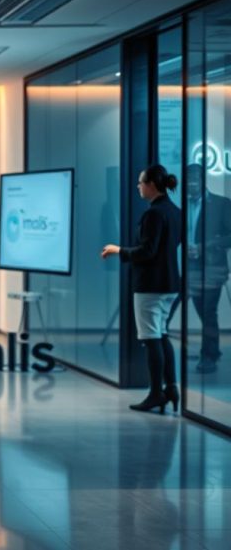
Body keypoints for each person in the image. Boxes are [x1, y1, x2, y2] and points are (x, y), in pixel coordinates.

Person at [102, 165, 182, 414]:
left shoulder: (154, 214)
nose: (138, 186)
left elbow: (148, 250)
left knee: (151, 338)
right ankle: (171, 388)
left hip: (151, 284)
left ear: (152, 185)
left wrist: (119, 250)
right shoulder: (175, 211)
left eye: (140, 182)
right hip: (169, 283)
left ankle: (156, 393)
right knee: (161, 334)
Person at [185, 163, 231, 373]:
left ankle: (208, 356)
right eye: (189, 179)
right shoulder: (183, 206)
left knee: (208, 311)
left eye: (195, 179)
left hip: (213, 269)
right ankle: (213, 350)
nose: (192, 183)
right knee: (203, 312)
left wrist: (205, 246)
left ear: (203, 180)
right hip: (190, 268)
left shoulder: (221, 204)